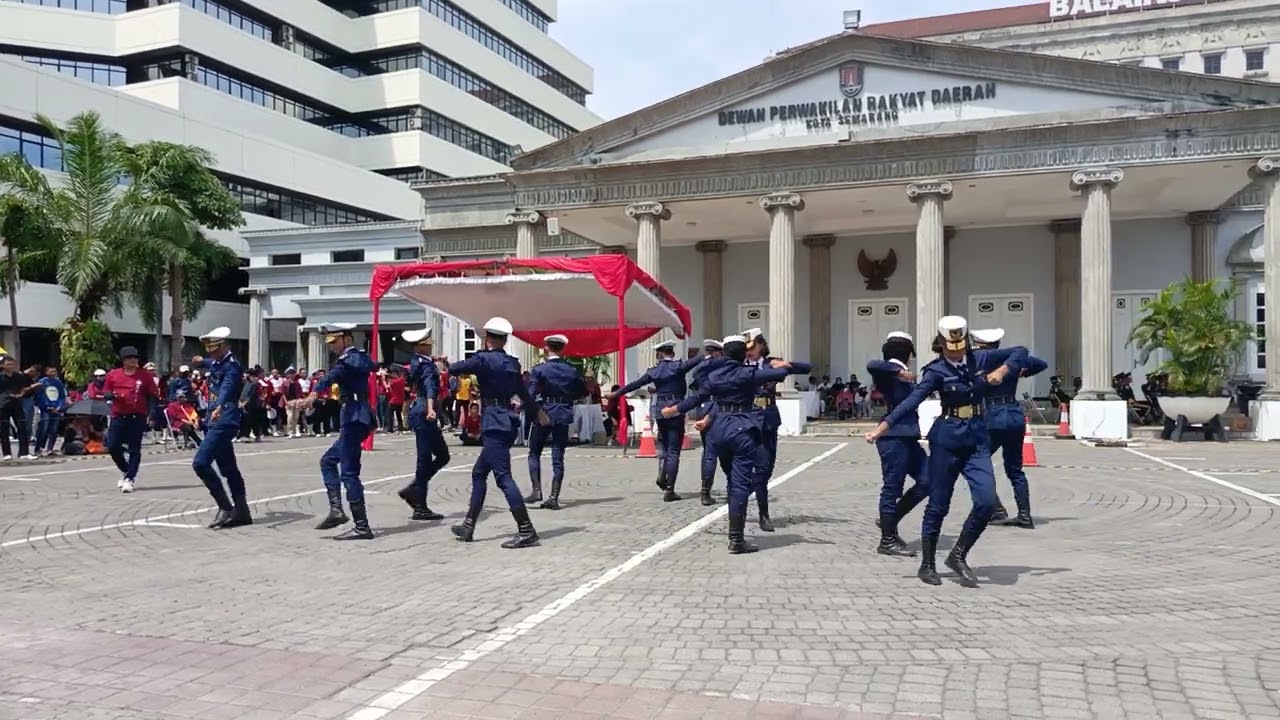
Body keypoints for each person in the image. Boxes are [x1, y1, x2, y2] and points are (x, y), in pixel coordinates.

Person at [864, 316, 1028, 588]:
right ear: (941, 344)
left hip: (976, 439)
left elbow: (1021, 351)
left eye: (960, 345)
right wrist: (883, 426)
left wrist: (1004, 370)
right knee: (938, 504)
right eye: (950, 347)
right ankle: (927, 564)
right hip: (947, 440)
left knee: (986, 502)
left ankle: (958, 555)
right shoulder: (935, 371)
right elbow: (912, 401)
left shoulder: (981, 360)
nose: (956, 351)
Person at [664, 336, 796, 554]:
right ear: (743, 355)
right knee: (739, 485)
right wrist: (783, 366)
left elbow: (695, 398)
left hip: (718, 431)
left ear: (725, 355)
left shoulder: (714, 376)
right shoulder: (748, 373)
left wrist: (673, 410)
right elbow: (780, 374)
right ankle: (736, 539)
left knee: (731, 480)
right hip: (742, 430)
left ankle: (734, 531)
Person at [446, 317, 549, 548]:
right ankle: (469, 525)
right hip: (508, 420)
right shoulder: (512, 363)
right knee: (479, 472)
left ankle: (526, 530)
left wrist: (447, 363)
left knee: (503, 477)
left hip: (493, 421)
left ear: (487, 338)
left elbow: (454, 369)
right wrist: (538, 413)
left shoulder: (483, 359)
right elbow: (523, 393)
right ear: (504, 340)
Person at [971, 328, 1048, 529]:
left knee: (976, 460)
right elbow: (1041, 364)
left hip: (993, 416)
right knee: (1015, 469)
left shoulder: (980, 358)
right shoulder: (1011, 360)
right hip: (1014, 414)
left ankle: (995, 509)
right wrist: (1017, 370)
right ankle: (1024, 514)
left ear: (979, 344)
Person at [611, 340, 703, 502]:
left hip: (660, 410)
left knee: (664, 446)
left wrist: (616, 393)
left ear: (658, 355)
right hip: (676, 409)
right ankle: (670, 489)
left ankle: (662, 473)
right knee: (674, 450)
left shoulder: (654, 371)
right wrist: (711, 352)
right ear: (672, 353)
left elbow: (635, 384)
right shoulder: (679, 367)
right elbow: (698, 360)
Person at [309, 323, 377, 540]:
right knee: (328, 461)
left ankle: (362, 526)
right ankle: (337, 510)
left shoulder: (351, 359)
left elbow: (333, 376)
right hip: (357, 415)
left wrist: (314, 393)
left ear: (346, 339)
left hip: (355, 415)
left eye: (334, 342)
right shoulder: (355, 359)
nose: (332, 347)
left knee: (349, 473)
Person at [865, 331, 929, 557]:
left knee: (928, 480)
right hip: (892, 438)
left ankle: (888, 522)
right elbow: (873, 365)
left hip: (909, 437)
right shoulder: (888, 371)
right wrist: (899, 371)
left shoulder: (902, 374)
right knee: (892, 487)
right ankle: (887, 540)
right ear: (906, 353)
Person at [742, 328, 812, 531]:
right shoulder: (740, 365)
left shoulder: (770, 363)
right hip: (749, 420)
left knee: (767, 468)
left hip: (769, 420)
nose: (750, 352)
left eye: (753, 347)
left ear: (761, 345)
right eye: (747, 349)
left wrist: (788, 365)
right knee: (759, 467)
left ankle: (740, 493)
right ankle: (763, 515)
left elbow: (807, 368)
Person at [189, 327, 252, 529]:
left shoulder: (232, 367)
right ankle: (242, 512)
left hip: (225, 419)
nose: (212, 353)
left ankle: (225, 506)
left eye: (215, 349)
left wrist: (218, 407)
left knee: (200, 463)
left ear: (225, 346)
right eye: (209, 350)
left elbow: (226, 388)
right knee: (228, 468)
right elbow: (210, 363)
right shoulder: (217, 362)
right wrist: (200, 361)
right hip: (213, 419)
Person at [525, 334, 588, 510]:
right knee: (558, 456)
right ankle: (554, 496)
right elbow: (581, 391)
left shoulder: (539, 369)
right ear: (563, 349)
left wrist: (534, 411)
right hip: (563, 411)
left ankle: (536, 490)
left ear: (547, 348)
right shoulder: (571, 370)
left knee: (534, 451)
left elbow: (530, 393)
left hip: (545, 411)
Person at [396, 327, 448, 522]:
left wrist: (436, 359)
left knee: (442, 455)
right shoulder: (426, 366)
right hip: (424, 410)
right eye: (428, 342)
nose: (430, 344)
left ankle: (414, 489)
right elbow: (430, 387)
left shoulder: (417, 361)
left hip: (418, 409)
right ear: (421, 345)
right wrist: (431, 408)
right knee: (426, 458)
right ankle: (420, 505)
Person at [101, 347, 161, 492]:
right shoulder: (113, 375)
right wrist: (110, 395)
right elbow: (106, 391)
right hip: (118, 415)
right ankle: (126, 470)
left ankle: (130, 478)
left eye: (135, 358)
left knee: (135, 448)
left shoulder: (145, 376)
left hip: (137, 416)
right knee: (113, 446)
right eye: (130, 358)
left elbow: (152, 396)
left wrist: (152, 414)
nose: (134, 360)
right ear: (123, 361)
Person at [688, 339, 725, 506]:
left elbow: (694, 386)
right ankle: (708, 492)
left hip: (702, 408)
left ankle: (705, 491)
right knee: (717, 451)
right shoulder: (722, 366)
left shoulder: (700, 368)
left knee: (708, 451)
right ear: (718, 352)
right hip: (717, 409)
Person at [0, 356, 37, 460]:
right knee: (4, 430)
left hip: (17, 403)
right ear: (2, 365)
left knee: (22, 427)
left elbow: (23, 388)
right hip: (4, 405)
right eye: (8, 364)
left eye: (12, 364)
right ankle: (7, 453)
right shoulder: (1, 377)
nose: (10, 366)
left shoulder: (19, 376)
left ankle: (24, 452)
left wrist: (21, 393)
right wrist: (8, 395)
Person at [34, 366, 67, 457]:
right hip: (46, 410)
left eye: (55, 371)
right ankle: (38, 449)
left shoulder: (58, 382)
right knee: (43, 429)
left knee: (54, 430)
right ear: (46, 372)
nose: (53, 373)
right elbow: (40, 396)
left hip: (57, 410)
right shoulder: (42, 382)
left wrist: (59, 407)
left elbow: (62, 396)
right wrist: (47, 406)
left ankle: (50, 449)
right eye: (51, 371)